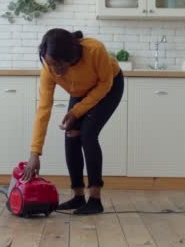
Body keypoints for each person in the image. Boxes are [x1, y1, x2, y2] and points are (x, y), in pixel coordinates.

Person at [23, 28, 124, 215]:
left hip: (109, 85)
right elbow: (43, 109)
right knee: (71, 136)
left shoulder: (95, 50)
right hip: (80, 92)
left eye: (59, 65)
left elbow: (105, 84)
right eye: (51, 65)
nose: (56, 71)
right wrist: (34, 153)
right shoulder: (49, 69)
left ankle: (95, 199)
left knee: (88, 134)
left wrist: (76, 111)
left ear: (70, 57)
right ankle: (78, 197)